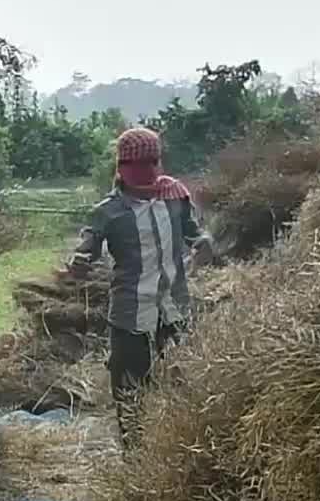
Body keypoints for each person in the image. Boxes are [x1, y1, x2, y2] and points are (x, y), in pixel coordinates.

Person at [66, 127, 214, 447]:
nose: (147, 171)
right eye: (138, 165)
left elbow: (194, 231)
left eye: (152, 162)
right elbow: (86, 247)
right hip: (130, 316)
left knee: (182, 386)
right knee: (131, 393)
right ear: (122, 167)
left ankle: (177, 449)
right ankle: (135, 457)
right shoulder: (108, 211)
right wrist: (79, 261)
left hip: (174, 311)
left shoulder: (175, 197)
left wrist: (203, 243)